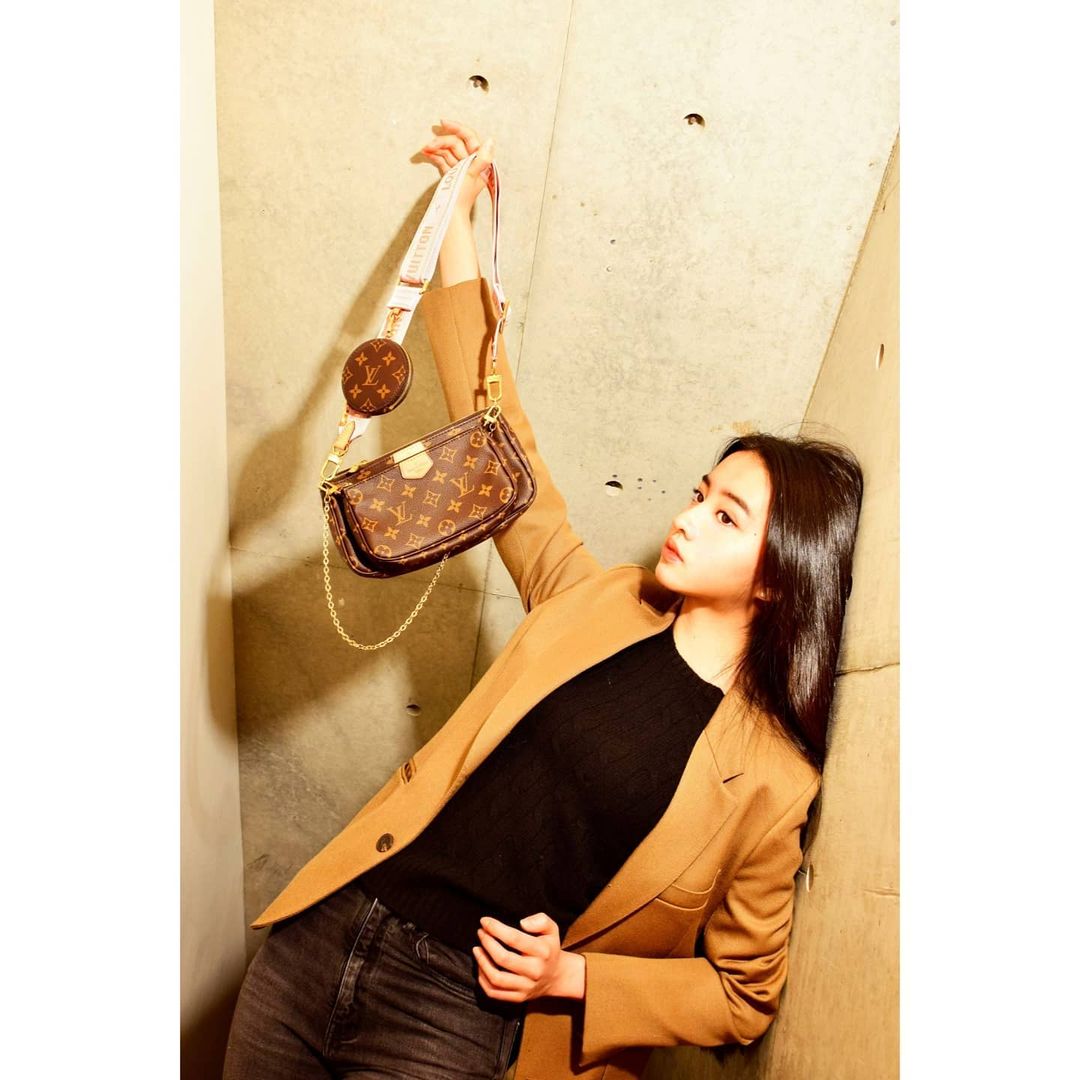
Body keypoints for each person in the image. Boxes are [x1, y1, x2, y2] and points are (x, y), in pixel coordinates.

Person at [222, 119, 864, 1080]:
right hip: (335, 929)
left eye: (727, 517)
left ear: (780, 575)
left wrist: (574, 977)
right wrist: (456, 224)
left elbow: (743, 994)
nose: (687, 518)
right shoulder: (595, 599)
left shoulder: (772, 780)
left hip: (458, 1024)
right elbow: (499, 440)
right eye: (702, 495)